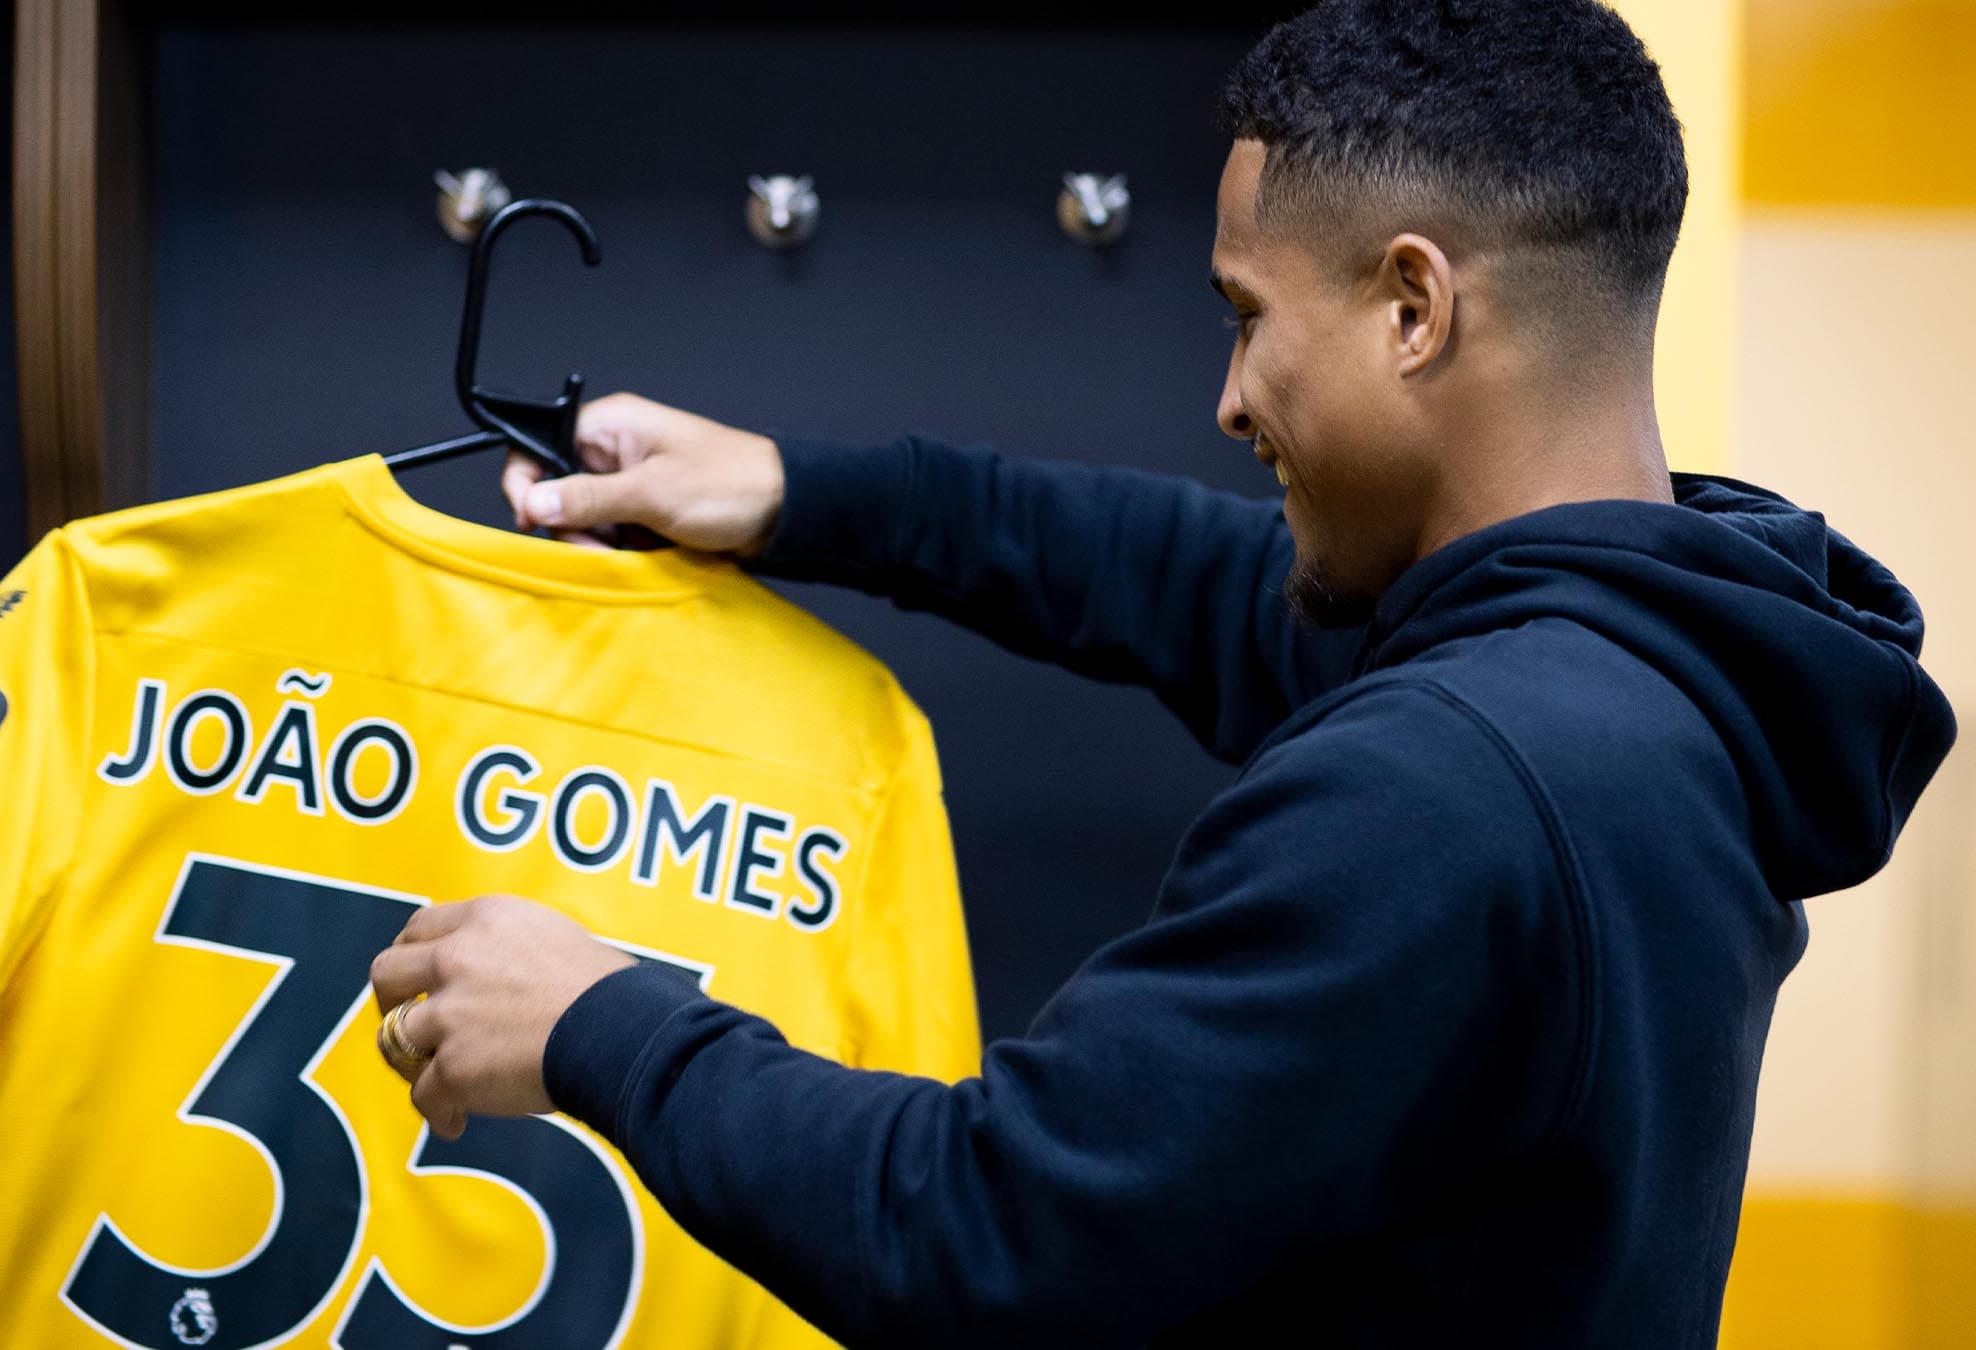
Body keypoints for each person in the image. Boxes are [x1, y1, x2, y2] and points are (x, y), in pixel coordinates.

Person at [366, 1, 1957, 1343]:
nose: (1227, 396)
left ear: (1414, 305)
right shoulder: (1645, 686)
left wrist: (596, 1018)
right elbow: (1187, 579)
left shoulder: (1446, 787)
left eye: (1247, 317)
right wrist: (804, 491)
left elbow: (984, 1234)